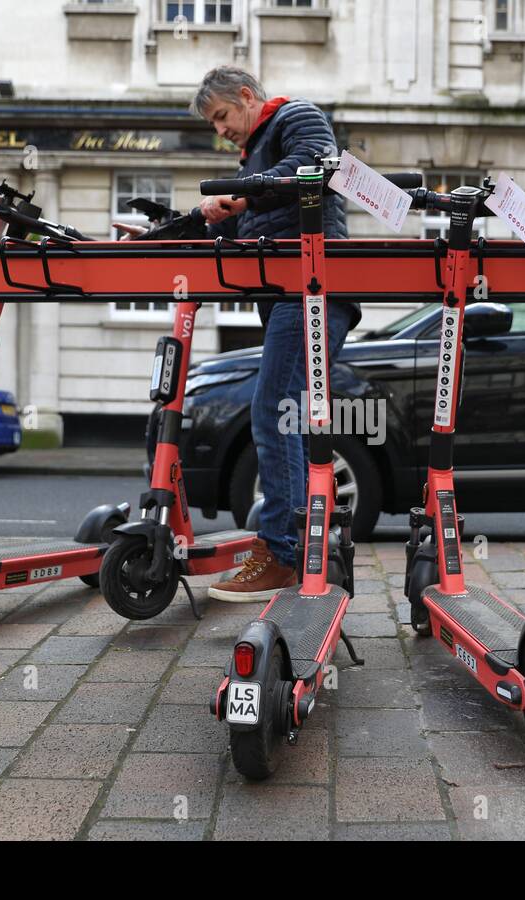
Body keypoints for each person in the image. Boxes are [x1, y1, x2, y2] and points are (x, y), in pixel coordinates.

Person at [192, 66, 360, 603]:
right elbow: (248, 216)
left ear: (246, 97)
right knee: (285, 413)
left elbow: (312, 166)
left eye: (221, 116)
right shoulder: (254, 155)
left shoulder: (296, 116)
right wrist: (183, 224)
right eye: (213, 125)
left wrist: (240, 196)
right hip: (289, 294)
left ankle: (284, 552)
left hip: (311, 290)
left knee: (273, 409)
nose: (220, 130)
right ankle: (296, 546)